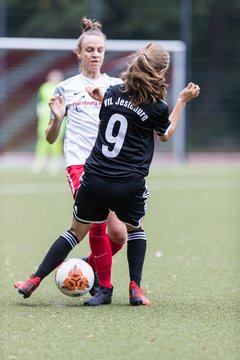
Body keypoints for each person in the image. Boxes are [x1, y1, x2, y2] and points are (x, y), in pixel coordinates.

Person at [15, 41, 200, 306]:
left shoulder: (112, 91)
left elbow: (112, 109)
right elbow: (166, 135)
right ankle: (133, 288)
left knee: (78, 231)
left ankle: (37, 280)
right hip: (127, 182)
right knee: (135, 229)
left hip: (96, 177)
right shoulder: (157, 106)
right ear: (160, 74)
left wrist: (104, 97)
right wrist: (182, 101)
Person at [14, 18, 127, 302]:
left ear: (104, 52)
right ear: (79, 53)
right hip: (80, 166)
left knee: (119, 234)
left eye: (99, 49)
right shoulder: (66, 88)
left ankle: (85, 266)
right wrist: (58, 118)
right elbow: (51, 137)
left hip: (111, 167)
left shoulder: (115, 86)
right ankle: (104, 289)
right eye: (89, 49)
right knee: (97, 224)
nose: (95, 54)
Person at [31, 69, 65, 175]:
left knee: (56, 141)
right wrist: (39, 110)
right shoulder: (44, 87)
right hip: (45, 119)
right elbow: (39, 101)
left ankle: (55, 162)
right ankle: (39, 161)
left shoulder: (63, 88)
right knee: (42, 140)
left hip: (59, 118)